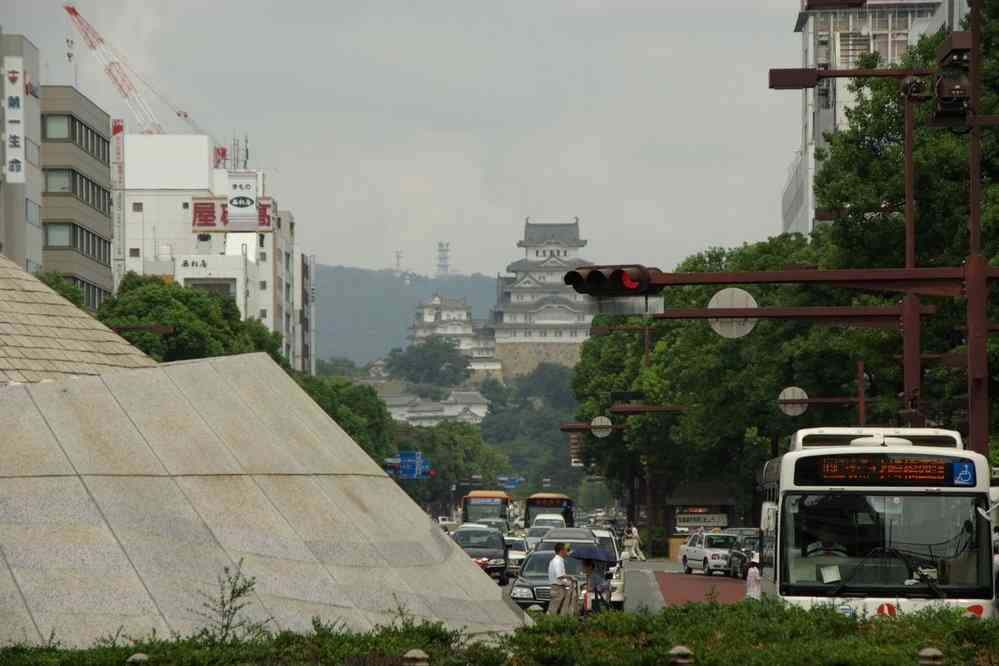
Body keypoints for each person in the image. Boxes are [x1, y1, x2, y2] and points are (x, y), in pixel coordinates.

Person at [547, 543, 576, 615]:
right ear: (561, 551)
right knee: (553, 610)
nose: (567, 552)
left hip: (559, 588)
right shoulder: (557, 561)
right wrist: (570, 577)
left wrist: (568, 582)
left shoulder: (558, 560)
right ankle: (548, 624)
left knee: (558, 609)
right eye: (566, 550)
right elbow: (559, 575)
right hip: (557, 588)